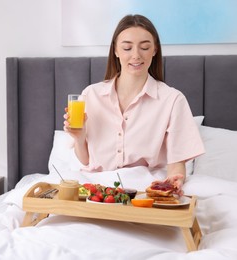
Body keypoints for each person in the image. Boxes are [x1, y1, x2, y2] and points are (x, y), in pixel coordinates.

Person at [63, 14, 205, 195]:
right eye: (127, 47)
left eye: (145, 47)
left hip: (142, 190)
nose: (136, 55)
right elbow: (85, 161)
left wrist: (175, 179)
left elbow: (177, 161)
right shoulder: (90, 95)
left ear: (154, 50)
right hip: (95, 190)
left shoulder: (172, 100)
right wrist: (79, 138)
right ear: (115, 50)